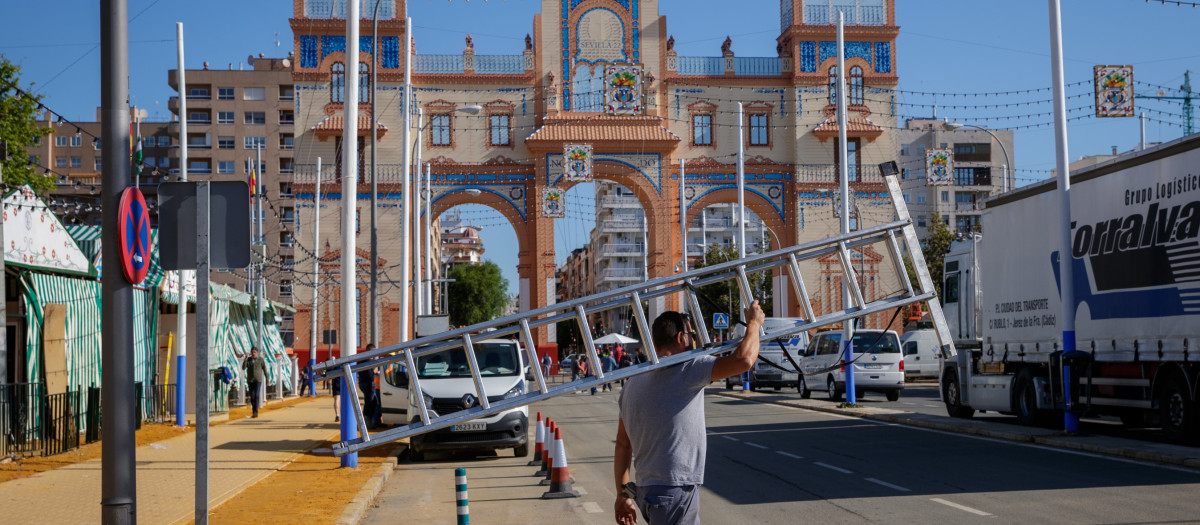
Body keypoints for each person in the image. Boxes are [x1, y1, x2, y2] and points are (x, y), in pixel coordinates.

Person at [613, 301, 764, 525]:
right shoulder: (688, 368)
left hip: (647, 490)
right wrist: (753, 324)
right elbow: (743, 360)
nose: (694, 341)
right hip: (673, 492)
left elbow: (623, 444)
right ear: (681, 338)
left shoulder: (633, 383)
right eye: (692, 334)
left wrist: (623, 495)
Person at [242, 347, 269, 418]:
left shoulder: (260, 360)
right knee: (252, 396)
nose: (253, 354)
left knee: (256, 395)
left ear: (257, 353)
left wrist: (267, 379)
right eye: (252, 352)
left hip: (258, 380)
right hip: (250, 380)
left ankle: (255, 412)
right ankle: (254, 411)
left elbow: (265, 369)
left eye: (255, 352)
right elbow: (243, 367)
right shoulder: (249, 360)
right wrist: (245, 358)